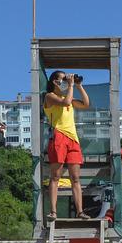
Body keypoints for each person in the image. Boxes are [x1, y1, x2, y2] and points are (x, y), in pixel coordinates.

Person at [43, 69, 91, 221]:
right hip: (58, 136)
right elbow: (66, 103)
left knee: (75, 178)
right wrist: (70, 86)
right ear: (54, 82)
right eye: (62, 80)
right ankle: (53, 211)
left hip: (73, 139)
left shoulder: (67, 94)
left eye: (66, 79)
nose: (65, 82)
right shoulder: (49, 96)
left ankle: (80, 211)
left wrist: (78, 86)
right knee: (55, 176)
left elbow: (86, 104)